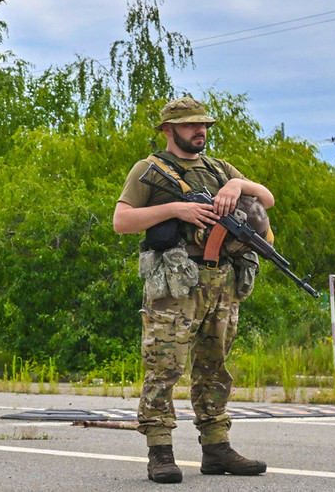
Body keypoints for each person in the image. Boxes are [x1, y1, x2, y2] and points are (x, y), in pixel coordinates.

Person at [113, 96, 271, 484]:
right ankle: (160, 450)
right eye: (190, 125)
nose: (200, 131)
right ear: (168, 130)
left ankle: (217, 447)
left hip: (221, 281)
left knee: (214, 367)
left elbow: (265, 198)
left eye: (203, 125)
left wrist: (238, 183)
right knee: (163, 367)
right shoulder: (149, 169)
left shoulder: (220, 169)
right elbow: (122, 221)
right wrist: (175, 210)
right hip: (174, 285)